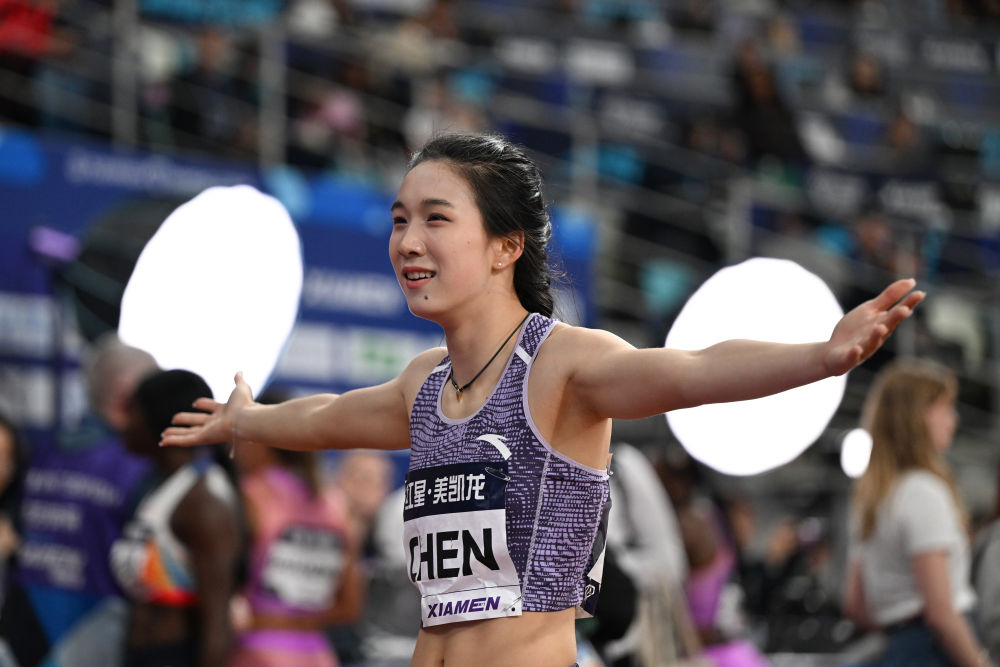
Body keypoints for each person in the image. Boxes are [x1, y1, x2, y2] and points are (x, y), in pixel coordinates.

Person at [163, 132, 924, 666]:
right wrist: (246, 418)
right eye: (400, 220)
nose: (407, 241)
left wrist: (820, 356)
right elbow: (329, 417)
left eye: (435, 218)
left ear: (506, 246)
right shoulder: (426, 383)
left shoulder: (559, 364)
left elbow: (691, 370)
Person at [0, 335, 157, 667]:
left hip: (24, 624)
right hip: (96, 629)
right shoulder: (140, 466)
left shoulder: (41, 452)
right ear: (126, 394)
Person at [843, 359, 991, 666]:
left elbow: (855, 604)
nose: (953, 420)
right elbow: (941, 614)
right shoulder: (923, 492)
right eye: (945, 408)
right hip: (933, 649)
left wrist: (901, 626)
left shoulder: (873, 497)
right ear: (918, 416)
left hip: (901, 647)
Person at [110, 369, 242, 667]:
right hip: (142, 654)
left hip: (176, 656)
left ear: (161, 418)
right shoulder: (160, 486)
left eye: (132, 412)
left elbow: (218, 620)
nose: (124, 424)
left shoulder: (203, 500)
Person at [229, 390, 364, 667]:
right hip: (317, 654)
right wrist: (300, 620)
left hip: (255, 652)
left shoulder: (251, 496)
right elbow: (349, 606)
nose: (236, 448)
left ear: (259, 437)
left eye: (240, 436)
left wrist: (265, 621)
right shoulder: (336, 505)